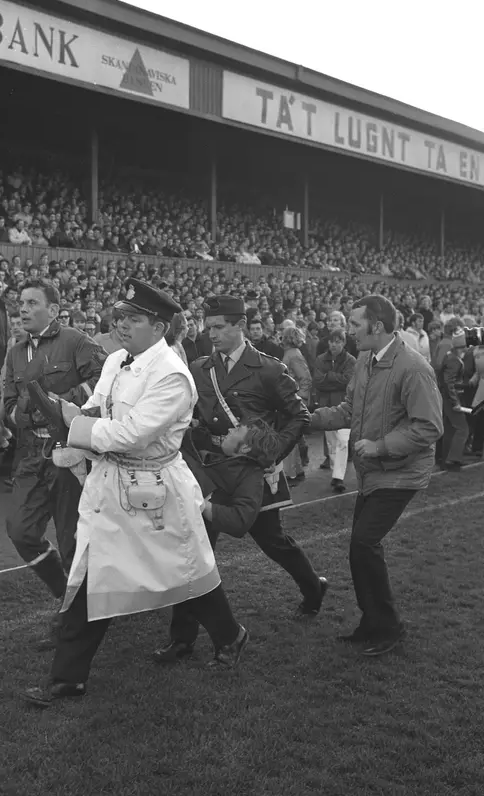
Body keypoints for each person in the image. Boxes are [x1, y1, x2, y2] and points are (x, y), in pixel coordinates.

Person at [22, 280, 248, 705]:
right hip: (115, 485)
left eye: (133, 318)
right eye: (121, 316)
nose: (121, 324)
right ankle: (68, 677)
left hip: (156, 489)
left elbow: (131, 434)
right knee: (94, 575)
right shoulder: (118, 360)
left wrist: (74, 428)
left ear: (159, 328)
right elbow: (101, 407)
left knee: (185, 572)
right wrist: (72, 413)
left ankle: (230, 634)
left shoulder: (172, 376)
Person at [155, 295, 327, 664]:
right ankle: (182, 637)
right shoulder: (201, 368)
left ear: (240, 326)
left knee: (273, 542)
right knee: (195, 551)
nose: (210, 333)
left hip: (253, 471)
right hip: (213, 469)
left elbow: (300, 416)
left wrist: (271, 453)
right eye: (207, 325)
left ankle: (313, 589)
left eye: (219, 326)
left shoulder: (268, 368)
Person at [310, 294, 443, 657]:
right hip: (374, 473)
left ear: (377, 326)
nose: (347, 330)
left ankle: (389, 627)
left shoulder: (413, 367)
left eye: (354, 324)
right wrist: (308, 418)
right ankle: (373, 623)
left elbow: (429, 427)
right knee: (360, 548)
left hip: (400, 473)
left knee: (364, 544)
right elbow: (349, 409)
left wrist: (381, 446)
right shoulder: (366, 360)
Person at [3, 279, 106, 614]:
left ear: (54, 310)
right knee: (20, 530)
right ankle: (65, 593)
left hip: (71, 456)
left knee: (72, 540)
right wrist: (19, 413)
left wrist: (61, 401)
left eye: (32, 302)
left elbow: (107, 388)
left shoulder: (76, 341)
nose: (23, 308)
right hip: (32, 455)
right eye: (21, 302)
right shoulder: (16, 352)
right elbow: (6, 406)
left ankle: (77, 614)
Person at [312, 328, 357, 493]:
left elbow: (348, 381)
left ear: (344, 343)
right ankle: (335, 472)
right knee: (331, 442)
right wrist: (335, 379)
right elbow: (317, 381)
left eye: (338, 341)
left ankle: (338, 477)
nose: (334, 344)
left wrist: (329, 376)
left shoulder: (351, 360)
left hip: (344, 404)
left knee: (343, 441)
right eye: (331, 341)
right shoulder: (320, 359)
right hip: (325, 403)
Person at [280, 325, 312, 485]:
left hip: (293, 400)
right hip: (290, 399)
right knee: (294, 437)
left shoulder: (293, 355)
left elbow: (305, 378)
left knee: (289, 436)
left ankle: (292, 473)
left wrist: (299, 398)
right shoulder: (292, 353)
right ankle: (297, 471)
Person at [436, 328, 469, 471]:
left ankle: (444, 458)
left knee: (449, 429)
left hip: (446, 397)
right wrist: (455, 402)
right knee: (463, 429)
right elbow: (449, 382)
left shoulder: (450, 356)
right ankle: (453, 459)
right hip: (450, 399)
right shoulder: (454, 360)